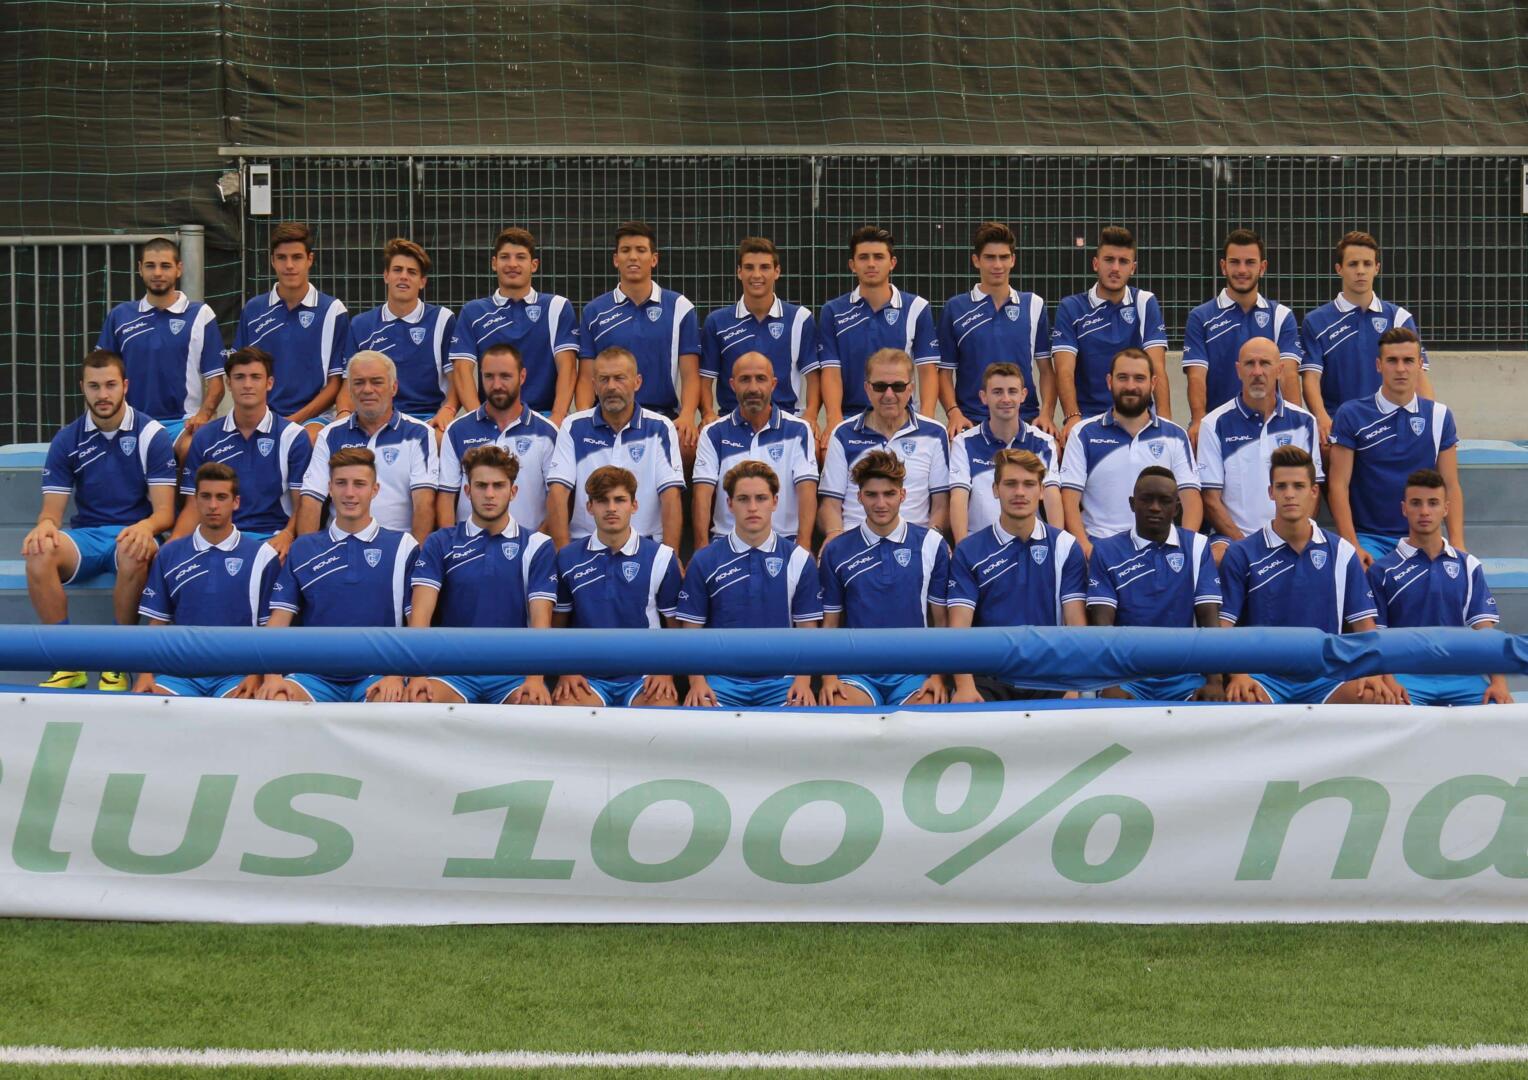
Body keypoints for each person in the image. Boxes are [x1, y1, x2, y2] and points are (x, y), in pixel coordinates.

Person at [26, 350, 177, 691]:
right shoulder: (68, 438)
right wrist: (45, 525)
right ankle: (67, 662)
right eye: (94, 386)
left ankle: (116, 661)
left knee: (132, 550)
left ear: (125, 386)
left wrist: (145, 527)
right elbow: (51, 512)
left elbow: (165, 514)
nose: (103, 394)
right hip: (88, 536)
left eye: (110, 385)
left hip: (134, 531)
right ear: (82, 387)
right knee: (38, 552)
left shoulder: (151, 434)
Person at [1218, 446, 1404, 706]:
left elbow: (1364, 627)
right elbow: (1223, 627)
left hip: (1327, 677)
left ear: (1314, 491)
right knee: (1242, 699)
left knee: (1377, 697)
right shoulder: (1242, 553)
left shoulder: (1342, 552)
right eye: (1281, 486)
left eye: (1298, 486)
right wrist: (1238, 675)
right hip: (1264, 677)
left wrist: (1374, 674)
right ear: (1271, 492)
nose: (1289, 494)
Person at [259, 447, 418, 703]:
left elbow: (416, 623)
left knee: (389, 706)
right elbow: (279, 620)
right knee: (275, 699)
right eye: (341, 483)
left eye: (359, 484)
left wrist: (396, 674)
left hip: (378, 674)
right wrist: (272, 676)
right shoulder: (303, 547)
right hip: (313, 676)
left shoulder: (403, 546)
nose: (350, 493)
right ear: (330, 488)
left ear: (374, 490)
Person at [406, 445, 557, 706]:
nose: (489, 494)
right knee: (417, 699)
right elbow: (420, 614)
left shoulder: (537, 545)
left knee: (533, 704)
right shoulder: (440, 542)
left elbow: (541, 620)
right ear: (467, 491)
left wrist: (535, 678)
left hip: (513, 673)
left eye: (498, 486)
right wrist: (417, 674)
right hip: (452, 672)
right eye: (481, 486)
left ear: (513, 491)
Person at [676, 461, 822, 708]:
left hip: (783, 681)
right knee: (700, 716)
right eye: (743, 499)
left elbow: (808, 630)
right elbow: (691, 631)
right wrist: (697, 682)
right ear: (729, 504)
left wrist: (803, 681)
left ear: (775, 502)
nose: (753, 507)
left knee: (802, 717)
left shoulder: (798, 559)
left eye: (761, 498)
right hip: (719, 681)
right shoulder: (705, 560)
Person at [946, 449, 1088, 702]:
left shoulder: (1065, 546)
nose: (1020, 492)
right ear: (995, 489)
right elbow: (959, 628)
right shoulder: (969, 550)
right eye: (1010, 484)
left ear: (1042, 491)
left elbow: (1076, 624)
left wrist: (1073, 684)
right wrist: (965, 685)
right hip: (988, 676)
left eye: (1029, 484)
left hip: (1049, 675)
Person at [133, 462, 282, 699]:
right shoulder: (169, 554)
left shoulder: (263, 556)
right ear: (195, 500)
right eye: (206, 496)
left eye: (221, 497)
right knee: (147, 704)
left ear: (236, 502)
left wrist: (256, 674)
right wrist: (145, 674)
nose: (213, 505)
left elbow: (270, 630)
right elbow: (157, 623)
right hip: (181, 675)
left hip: (237, 675)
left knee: (244, 709)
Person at [1368, 469, 1512, 706]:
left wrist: (1499, 682)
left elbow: (1485, 631)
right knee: (1390, 711)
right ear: (1404, 509)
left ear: (1446, 509)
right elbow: (1376, 637)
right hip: (1406, 677)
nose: (1424, 511)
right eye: (1416, 503)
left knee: (1500, 711)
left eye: (1433, 503)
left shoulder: (1468, 565)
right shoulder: (1381, 570)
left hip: (1460, 676)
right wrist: (1389, 680)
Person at [818, 451, 949, 707]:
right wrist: (828, 677)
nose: (881, 503)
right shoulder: (837, 549)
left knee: (927, 716)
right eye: (871, 495)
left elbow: (941, 621)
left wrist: (938, 676)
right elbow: (830, 624)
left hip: (915, 672)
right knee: (842, 712)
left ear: (903, 495)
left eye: (889, 494)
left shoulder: (932, 544)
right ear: (859, 497)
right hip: (857, 672)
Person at [1086, 467, 1224, 702]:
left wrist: (1215, 682)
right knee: (1114, 713)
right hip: (1128, 677)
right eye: (1146, 499)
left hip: (1184, 677)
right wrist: (1111, 683)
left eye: (1164, 501)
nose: (1155, 507)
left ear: (1176, 508)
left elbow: (1209, 618)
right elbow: (1102, 625)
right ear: (1132, 504)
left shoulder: (1198, 546)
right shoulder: (1106, 550)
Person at [1328, 327, 1461, 566]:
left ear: (1420, 365)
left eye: (1408, 361)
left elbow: (1450, 485)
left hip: (1423, 537)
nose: (1400, 369)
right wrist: (1352, 545)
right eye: (1392, 361)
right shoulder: (1351, 414)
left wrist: (1458, 543)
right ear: (1379, 365)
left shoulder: (1439, 416)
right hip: (1370, 539)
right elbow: (1338, 485)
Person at [553, 466, 684, 708]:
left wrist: (666, 671)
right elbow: (558, 626)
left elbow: (675, 628)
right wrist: (567, 670)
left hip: (645, 676)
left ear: (634, 505)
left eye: (619, 500)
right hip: (587, 677)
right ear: (589, 507)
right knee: (567, 710)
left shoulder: (661, 557)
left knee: (663, 713)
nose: (611, 508)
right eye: (602, 501)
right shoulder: (567, 557)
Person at [1058, 348, 1200, 558]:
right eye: (1122, 378)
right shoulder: (1083, 433)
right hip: (1100, 548)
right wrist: (1085, 547)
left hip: (1159, 550)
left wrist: (1183, 549)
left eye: (1139, 378)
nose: (1131, 386)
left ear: (1153, 383)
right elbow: (1069, 500)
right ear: (1110, 382)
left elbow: (1191, 501)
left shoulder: (1175, 435)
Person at [576, 222, 705, 452]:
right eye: (626, 250)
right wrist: (585, 417)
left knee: (688, 447)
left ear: (654, 259)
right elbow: (586, 377)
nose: (633, 257)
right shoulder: (594, 311)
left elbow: (690, 375)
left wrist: (687, 416)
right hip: (608, 415)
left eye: (641, 250)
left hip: (662, 415)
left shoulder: (679, 307)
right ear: (616, 259)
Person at [175, 346, 310, 560]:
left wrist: (288, 534)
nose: (247, 384)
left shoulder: (293, 436)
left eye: (255, 377)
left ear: (269, 383)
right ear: (229, 383)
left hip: (270, 538)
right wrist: (172, 547)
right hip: (218, 538)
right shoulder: (205, 437)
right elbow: (193, 507)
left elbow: (302, 504)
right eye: (239, 377)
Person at [1299, 230, 1433, 446]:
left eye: (1367, 264)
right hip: (1340, 430)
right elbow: (1310, 378)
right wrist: (1321, 418)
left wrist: (1430, 423)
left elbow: (1418, 377)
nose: (1360, 271)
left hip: (1391, 430)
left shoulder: (1398, 318)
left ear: (1377, 268)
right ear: (1339, 269)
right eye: (1353, 264)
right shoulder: (1316, 321)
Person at [546, 346, 684, 549]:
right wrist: (562, 554)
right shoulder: (574, 426)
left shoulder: (661, 427)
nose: (611, 387)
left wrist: (671, 556)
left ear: (637, 382)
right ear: (594, 385)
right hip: (585, 545)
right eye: (604, 379)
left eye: (619, 378)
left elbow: (671, 495)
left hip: (645, 546)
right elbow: (558, 492)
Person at [95, 236, 224, 452]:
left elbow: (216, 382)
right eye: (150, 266)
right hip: (129, 422)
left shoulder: (201, 314)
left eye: (165, 266)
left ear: (179, 269)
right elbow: (99, 375)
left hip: (182, 423)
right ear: (140, 269)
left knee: (191, 450)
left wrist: (203, 416)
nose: (157, 273)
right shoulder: (120, 315)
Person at [1198, 338, 1323, 559]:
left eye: (1265, 363)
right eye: (1250, 364)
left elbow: (1312, 492)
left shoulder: (1304, 422)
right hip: (1235, 538)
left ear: (1279, 370)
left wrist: (1293, 536)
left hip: (1290, 536)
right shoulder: (1213, 423)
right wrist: (1248, 549)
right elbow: (1211, 500)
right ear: (1238, 370)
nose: (1257, 372)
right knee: (1217, 557)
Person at [817, 226, 940, 449]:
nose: (871, 264)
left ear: (892, 263)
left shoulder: (917, 307)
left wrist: (927, 420)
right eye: (863, 257)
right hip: (851, 417)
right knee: (825, 454)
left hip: (901, 415)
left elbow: (928, 371)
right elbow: (831, 372)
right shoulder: (832, 311)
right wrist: (834, 420)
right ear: (852, 265)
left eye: (879, 257)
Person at [301, 352, 438, 544]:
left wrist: (415, 554)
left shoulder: (420, 434)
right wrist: (308, 554)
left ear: (394, 388)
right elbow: (311, 500)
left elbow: (424, 503)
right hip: (338, 545)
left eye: (376, 382)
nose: (367, 389)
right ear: (350, 390)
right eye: (358, 383)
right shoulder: (330, 434)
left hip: (396, 546)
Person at [1050, 226, 1171, 444]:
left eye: (1123, 262)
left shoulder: (1145, 302)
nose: (1115, 268)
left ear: (1133, 268)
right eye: (1109, 260)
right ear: (1096, 263)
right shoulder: (1071, 307)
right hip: (1089, 419)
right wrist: (1072, 417)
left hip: (1138, 418)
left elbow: (1157, 368)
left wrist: (1165, 424)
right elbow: (1064, 370)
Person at [1182, 229, 1301, 447]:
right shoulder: (1201, 317)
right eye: (1235, 262)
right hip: (1218, 430)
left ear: (1262, 267)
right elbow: (1196, 376)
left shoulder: (1281, 316)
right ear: (1223, 266)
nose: (1242, 270)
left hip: (1270, 430)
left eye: (1250, 262)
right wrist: (1199, 420)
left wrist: (1296, 425)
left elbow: (1288, 375)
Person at [448, 227, 579, 426]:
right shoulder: (473, 311)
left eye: (520, 257)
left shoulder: (557, 307)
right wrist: (479, 422)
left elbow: (567, 367)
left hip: (544, 418)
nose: (512, 264)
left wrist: (557, 418)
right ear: (494, 263)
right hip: (492, 419)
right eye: (505, 257)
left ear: (534, 265)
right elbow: (462, 371)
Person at [232, 221, 349, 441]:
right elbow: (239, 373)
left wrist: (291, 421)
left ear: (310, 259)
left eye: (296, 257)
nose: (289, 265)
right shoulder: (253, 309)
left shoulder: (333, 311)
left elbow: (336, 383)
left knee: (305, 442)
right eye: (282, 258)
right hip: (259, 416)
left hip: (314, 418)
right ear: (272, 261)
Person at [819, 348, 950, 540]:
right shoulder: (843, 434)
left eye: (898, 386)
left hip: (915, 544)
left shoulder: (935, 433)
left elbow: (942, 504)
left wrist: (932, 542)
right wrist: (836, 539)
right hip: (854, 543)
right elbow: (830, 503)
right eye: (880, 386)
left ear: (911, 389)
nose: (889, 395)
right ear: (867, 388)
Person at [693, 352, 818, 549]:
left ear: (773, 384)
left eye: (761, 379)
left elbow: (807, 491)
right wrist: (701, 549)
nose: (753, 388)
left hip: (785, 541)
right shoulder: (713, 432)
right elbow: (702, 495)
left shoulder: (798, 430)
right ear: (733, 385)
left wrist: (803, 547)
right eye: (745, 379)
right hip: (726, 541)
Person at [938, 221, 1052, 437]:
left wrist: (1046, 413)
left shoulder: (1034, 304)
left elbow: (1046, 370)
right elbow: (944, 372)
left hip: (1024, 417)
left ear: (1013, 260)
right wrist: (954, 413)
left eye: (1004, 257)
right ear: (976, 260)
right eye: (990, 257)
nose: (998, 265)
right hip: (971, 420)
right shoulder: (955, 308)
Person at [700, 237, 820, 436]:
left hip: (787, 420)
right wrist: (707, 413)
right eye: (749, 267)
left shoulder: (800, 318)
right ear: (739, 272)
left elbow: (813, 377)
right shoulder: (717, 321)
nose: (756, 275)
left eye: (764, 267)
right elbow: (706, 379)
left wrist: (811, 415)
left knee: (816, 446)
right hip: (731, 420)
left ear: (777, 271)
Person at [340, 238, 458, 436]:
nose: (404, 276)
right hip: (373, 418)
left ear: (422, 282)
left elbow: (457, 380)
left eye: (411, 272)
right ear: (386, 276)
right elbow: (347, 385)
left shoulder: (442, 319)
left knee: (441, 440)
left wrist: (448, 409)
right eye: (397, 270)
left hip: (426, 417)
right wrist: (343, 414)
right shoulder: (360, 324)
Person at [437, 343, 559, 534]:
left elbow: (559, 500)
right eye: (489, 376)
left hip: (528, 547)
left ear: (522, 376)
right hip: (469, 547)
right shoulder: (457, 431)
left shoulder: (547, 432)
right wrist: (453, 546)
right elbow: (446, 497)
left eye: (505, 376)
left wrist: (535, 544)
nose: (496, 385)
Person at [949, 362, 1062, 543]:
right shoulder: (963, 443)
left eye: (1012, 391)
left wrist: (1057, 547)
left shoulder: (1043, 442)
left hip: (1030, 545)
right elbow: (958, 499)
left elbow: (1051, 496)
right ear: (984, 397)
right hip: (980, 547)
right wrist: (962, 550)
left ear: (1023, 395)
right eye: (997, 392)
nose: (1006, 399)